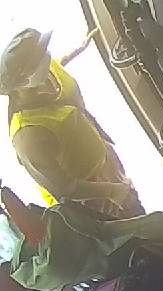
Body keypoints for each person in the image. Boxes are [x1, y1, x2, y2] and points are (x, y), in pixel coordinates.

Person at [1, 28, 145, 220]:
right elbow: (64, 189)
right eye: (39, 58)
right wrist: (112, 192)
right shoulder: (27, 135)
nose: (47, 57)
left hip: (106, 165)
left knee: (140, 211)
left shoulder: (44, 73)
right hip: (94, 198)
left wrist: (78, 49)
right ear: (23, 80)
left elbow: (57, 66)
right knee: (136, 228)